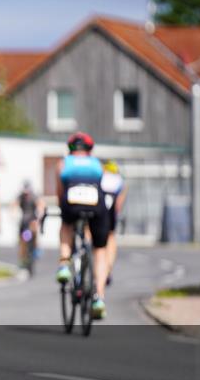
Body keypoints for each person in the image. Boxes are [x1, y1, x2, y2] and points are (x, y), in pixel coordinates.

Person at [55, 132, 111, 320]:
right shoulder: (97, 163)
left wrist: (62, 210)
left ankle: (64, 264)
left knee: (66, 225)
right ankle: (99, 298)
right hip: (95, 202)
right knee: (100, 250)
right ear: (89, 149)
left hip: (71, 199)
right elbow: (102, 186)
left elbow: (60, 193)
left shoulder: (63, 163)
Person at [100, 160, 127, 286]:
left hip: (97, 209)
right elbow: (118, 206)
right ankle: (108, 268)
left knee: (89, 232)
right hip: (110, 212)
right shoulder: (119, 181)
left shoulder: (100, 176)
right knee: (110, 237)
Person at [15, 180, 45, 274]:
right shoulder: (20, 196)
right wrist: (13, 214)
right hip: (24, 222)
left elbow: (40, 205)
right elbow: (14, 205)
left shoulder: (34, 196)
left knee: (34, 233)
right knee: (22, 241)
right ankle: (22, 259)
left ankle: (35, 249)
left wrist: (39, 215)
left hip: (32, 221)